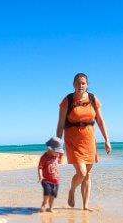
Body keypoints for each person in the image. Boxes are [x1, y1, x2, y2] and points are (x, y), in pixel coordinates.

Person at [56, 73, 112, 210]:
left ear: (87, 85)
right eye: (78, 83)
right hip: (72, 140)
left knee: (88, 175)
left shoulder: (93, 99)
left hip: (89, 139)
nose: (80, 85)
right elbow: (60, 124)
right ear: (73, 84)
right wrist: (58, 145)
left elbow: (100, 120)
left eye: (83, 83)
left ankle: (85, 206)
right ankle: (72, 189)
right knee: (82, 172)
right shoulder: (67, 100)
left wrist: (107, 140)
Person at [38, 137, 64, 212]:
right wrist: (40, 176)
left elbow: (60, 160)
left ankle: (50, 207)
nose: (57, 153)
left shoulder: (57, 155)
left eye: (59, 152)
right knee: (47, 193)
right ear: (50, 149)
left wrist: (60, 154)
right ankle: (44, 204)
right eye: (56, 151)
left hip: (56, 180)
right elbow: (40, 167)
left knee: (53, 195)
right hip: (46, 180)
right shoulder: (44, 157)